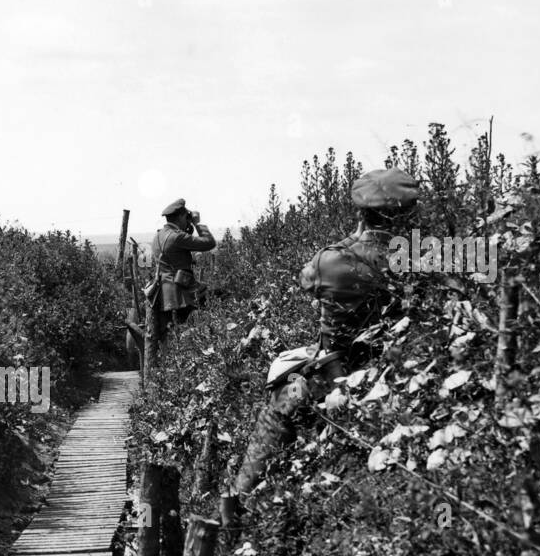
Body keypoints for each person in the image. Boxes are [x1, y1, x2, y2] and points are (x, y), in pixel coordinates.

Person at [223, 168, 420, 522]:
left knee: (276, 411)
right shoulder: (419, 256)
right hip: (393, 368)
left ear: (362, 213)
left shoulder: (331, 259)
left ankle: (238, 502)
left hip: (337, 370)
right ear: (406, 214)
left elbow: (306, 281)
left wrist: (350, 242)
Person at [149, 199, 216, 343]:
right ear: (180, 217)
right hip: (180, 293)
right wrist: (197, 223)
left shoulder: (158, 236)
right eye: (186, 217)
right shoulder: (177, 236)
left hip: (163, 294)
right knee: (220, 297)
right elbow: (210, 243)